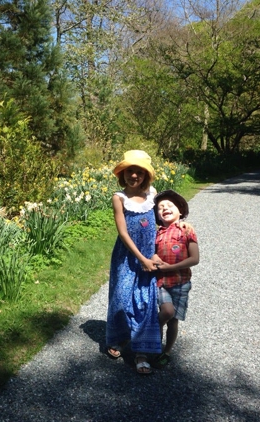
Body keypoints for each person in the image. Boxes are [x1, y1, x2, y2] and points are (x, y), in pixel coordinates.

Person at [106, 150, 162, 375]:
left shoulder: (153, 195)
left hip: (150, 256)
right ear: (123, 174)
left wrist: (155, 255)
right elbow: (123, 233)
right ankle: (118, 338)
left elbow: (163, 223)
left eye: (139, 171)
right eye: (130, 171)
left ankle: (141, 353)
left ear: (145, 175)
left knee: (144, 302)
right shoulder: (119, 198)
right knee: (121, 298)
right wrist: (142, 259)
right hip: (127, 256)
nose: (134, 176)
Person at [151, 189, 199, 369]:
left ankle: (166, 351)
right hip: (161, 282)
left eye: (170, 205)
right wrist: (154, 258)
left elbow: (194, 258)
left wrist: (170, 267)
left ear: (180, 210)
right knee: (167, 312)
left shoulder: (187, 231)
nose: (165, 208)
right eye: (160, 207)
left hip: (181, 283)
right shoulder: (157, 234)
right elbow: (152, 254)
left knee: (173, 321)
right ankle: (149, 335)